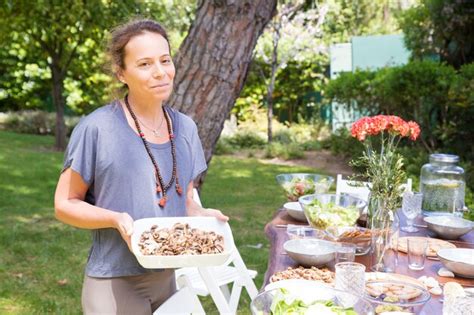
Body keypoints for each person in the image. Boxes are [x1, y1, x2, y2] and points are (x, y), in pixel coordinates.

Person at [54, 19, 228, 314]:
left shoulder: (185, 129)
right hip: (114, 281)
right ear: (122, 73)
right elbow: (64, 203)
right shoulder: (97, 128)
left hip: (167, 280)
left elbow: (182, 198)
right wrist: (115, 219)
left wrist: (201, 215)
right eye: (145, 64)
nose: (160, 72)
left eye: (165, 60)